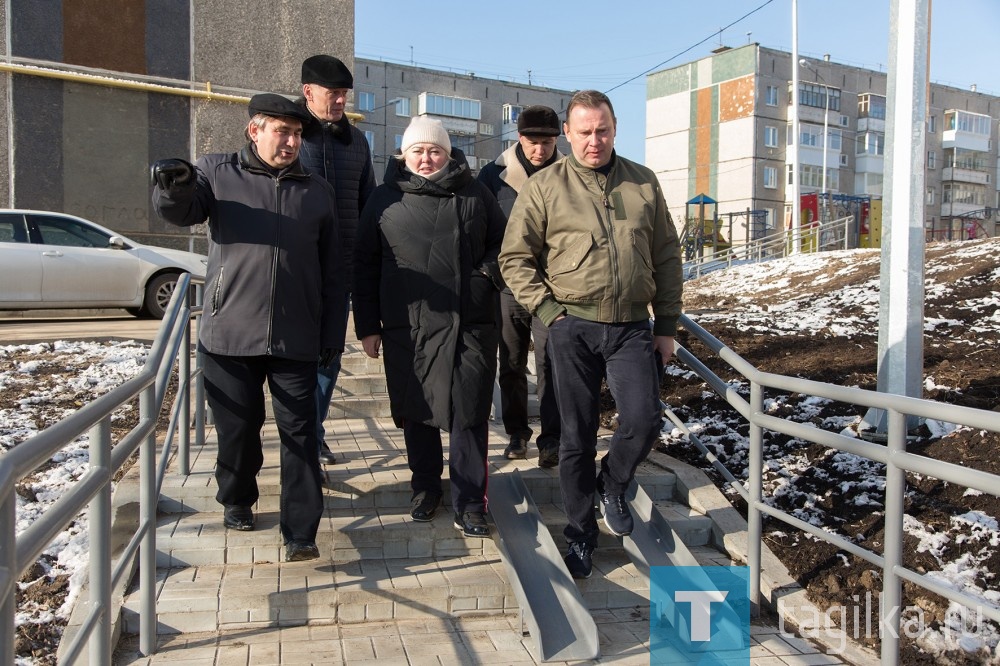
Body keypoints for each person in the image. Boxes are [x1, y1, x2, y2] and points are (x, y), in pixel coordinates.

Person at [151, 93, 347, 563]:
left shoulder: (316, 191)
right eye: (283, 131)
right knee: (238, 431)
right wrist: (171, 186)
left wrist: (331, 336)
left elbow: (333, 271)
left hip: (295, 337)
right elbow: (181, 211)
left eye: (298, 134)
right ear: (254, 131)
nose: (292, 141)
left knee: (301, 434)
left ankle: (301, 531)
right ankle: (238, 498)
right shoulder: (217, 173)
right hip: (229, 335)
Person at [498, 90, 682, 579]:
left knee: (644, 421)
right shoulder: (545, 186)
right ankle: (580, 536)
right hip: (570, 327)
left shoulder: (643, 182)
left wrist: (665, 326)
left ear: (615, 128)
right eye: (584, 132)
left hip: (630, 328)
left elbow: (666, 255)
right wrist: (548, 310)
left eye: (602, 130)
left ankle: (613, 483)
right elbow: (514, 258)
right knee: (575, 438)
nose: (594, 141)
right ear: (568, 133)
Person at [353, 116, 506, 538]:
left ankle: (471, 501)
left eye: (434, 150)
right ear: (404, 154)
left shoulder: (475, 193)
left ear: (447, 152)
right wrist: (368, 325)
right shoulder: (384, 199)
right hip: (408, 323)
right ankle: (425, 488)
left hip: (470, 323)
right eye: (417, 150)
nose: (426, 158)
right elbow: (364, 263)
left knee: (470, 412)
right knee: (416, 409)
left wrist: (483, 277)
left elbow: (504, 244)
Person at [298, 54, 377, 466]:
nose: (341, 101)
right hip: (298, 270)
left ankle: (313, 433)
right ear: (308, 92)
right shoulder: (294, 137)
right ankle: (302, 436)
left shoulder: (357, 142)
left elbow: (369, 205)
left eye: (345, 94)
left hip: (341, 270)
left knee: (329, 356)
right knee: (297, 359)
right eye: (333, 93)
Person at [478, 105, 563, 468]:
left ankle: (552, 439)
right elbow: (477, 227)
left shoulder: (570, 175)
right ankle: (517, 433)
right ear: (519, 137)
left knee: (551, 364)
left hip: (554, 288)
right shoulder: (492, 176)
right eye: (532, 141)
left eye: (547, 142)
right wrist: (488, 273)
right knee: (511, 363)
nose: (539, 150)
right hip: (508, 286)